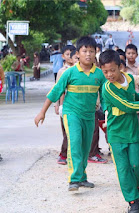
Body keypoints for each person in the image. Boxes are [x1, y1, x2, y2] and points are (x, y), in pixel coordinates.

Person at [34, 36, 107, 191]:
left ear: (96, 53)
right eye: (84, 51)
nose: (88, 54)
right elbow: (55, 92)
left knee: (86, 147)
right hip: (71, 113)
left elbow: (105, 96)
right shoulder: (70, 73)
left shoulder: (99, 74)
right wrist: (42, 112)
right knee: (75, 144)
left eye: (91, 51)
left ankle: (82, 177)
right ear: (78, 54)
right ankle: (73, 180)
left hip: (89, 115)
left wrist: (107, 113)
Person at [100, 49, 139, 213]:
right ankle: (133, 202)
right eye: (105, 71)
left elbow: (134, 97)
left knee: (136, 166)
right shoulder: (108, 88)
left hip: (132, 133)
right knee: (123, 170)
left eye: (112, 70)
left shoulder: (128, 79)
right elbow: (127, 106)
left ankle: (138, 185)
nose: (109, 75)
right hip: (116, 135)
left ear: (120, 67)